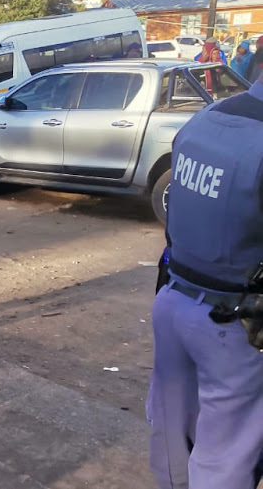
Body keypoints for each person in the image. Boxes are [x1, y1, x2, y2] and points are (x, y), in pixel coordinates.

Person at [148, 69, 263, 489]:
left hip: (174, 300)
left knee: (173, 432)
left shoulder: (205, 119)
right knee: (226, 454)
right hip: (235, 325)